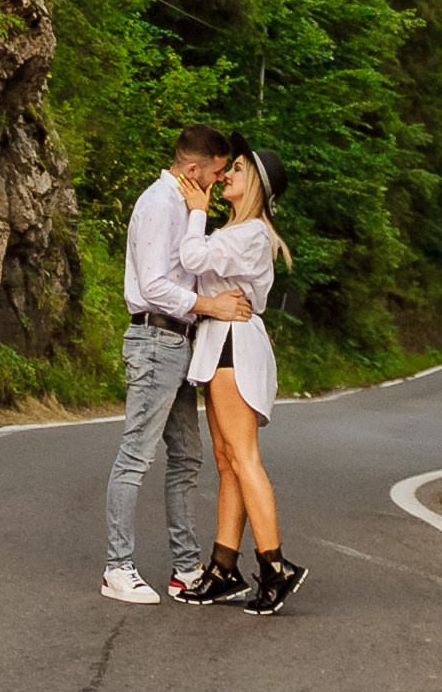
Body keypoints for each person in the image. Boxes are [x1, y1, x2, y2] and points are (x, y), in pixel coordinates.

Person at [101, 125, 236, 605]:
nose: (221, 181)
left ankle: (185, 570)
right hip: (155, 337)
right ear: (194, 169)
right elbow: (156, 285)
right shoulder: (160, 204)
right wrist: (209, 305)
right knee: (136, 455)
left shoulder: (186, 208)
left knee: (186, 457)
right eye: (218, 172)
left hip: (178, 342)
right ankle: (117, 568)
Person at [180, 146, 308, 616]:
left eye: (237, 169)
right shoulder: (235, 232)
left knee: (243, 456)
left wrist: (196, 212)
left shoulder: (252, 232)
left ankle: (276, 566)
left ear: (255, 184)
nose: (227, 173)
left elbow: (193, 257)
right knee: (226, 459)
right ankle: (223, 567)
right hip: (220, 344)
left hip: (235, 345)